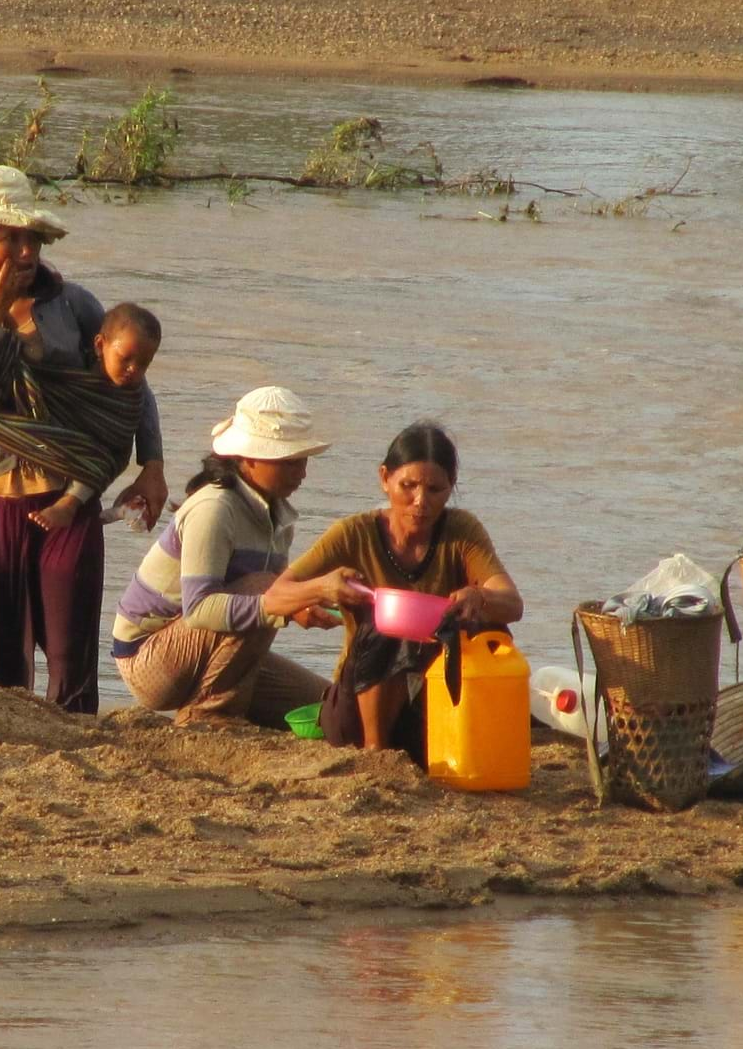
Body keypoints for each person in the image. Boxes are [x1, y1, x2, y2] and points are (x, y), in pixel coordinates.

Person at [0, 164, 169, 714]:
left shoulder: (76, 306)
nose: (23, 249)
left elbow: (129, 389)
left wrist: (151, 464)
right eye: (8, 238)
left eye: (30, 236)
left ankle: (76, 744)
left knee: (71, 649)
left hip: (69, 498)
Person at [111, 386, 362, 728]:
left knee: (331, 710)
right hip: (148, 657)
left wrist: (302, 608)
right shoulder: (215, 508)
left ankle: (222, 705)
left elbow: (267, 603)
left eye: (302, 461)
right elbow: (201, 610)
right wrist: (297, 596)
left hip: (205, 650)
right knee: (268, 588)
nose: (301, 473)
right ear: (250, 458)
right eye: (289, 462)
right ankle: (206, 715)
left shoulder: (278, 515)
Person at [276, 420, 524, 757]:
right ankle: (377, 751)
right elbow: (276, 595)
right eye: (408, 486)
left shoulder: (461, 531)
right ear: (384, 479)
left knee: (489, 625)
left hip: (432, 696)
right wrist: (323, 588)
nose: (420, 501)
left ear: (451, 487)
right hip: (358, 709)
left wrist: (480, 597)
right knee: (387, 627)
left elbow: (512, 603)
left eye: (435, 490)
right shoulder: (354, 533)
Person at [26, 302, 164, 533]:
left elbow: (117, 443)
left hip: (96, 461)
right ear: (100, 345)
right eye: (125, 358)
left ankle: (69, 505)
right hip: (45, 461)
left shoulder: (130, 397)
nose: (133, 369)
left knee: (99, 457)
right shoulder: (76, 375)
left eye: (143, 364)